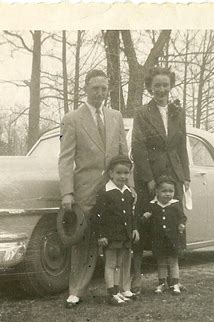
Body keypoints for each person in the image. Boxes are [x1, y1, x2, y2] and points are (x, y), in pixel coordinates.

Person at [58, 69, 128, 308]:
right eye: (95, 88)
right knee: (84, 240)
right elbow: (65, 159)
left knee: (119, 235)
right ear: (85, 89)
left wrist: (129, 186)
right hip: (86, 188)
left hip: (113, 188)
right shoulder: (72, 119)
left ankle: (120, 287)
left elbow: (123, 155)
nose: (100, 93)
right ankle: (76, 290)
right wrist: (67, 192)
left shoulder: (116, 116)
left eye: (104, 89)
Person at [131, 66, 190, 294]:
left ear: (170, 86)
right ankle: (136, 280)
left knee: (174, 224)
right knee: (144, 224)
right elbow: (138, 147)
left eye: (165, 85)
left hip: (173, 177)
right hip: (151, 177)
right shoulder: (142, 113)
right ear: (150, 87)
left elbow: (182, 145)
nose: (162, 89)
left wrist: (184, 176)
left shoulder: (178, 112)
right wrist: (148, 179)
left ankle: (173, 280)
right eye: (157, 85)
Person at [91, 155, 140, 306]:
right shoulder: (105, 192)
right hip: (110, 236)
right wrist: (100, 235)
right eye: (119, 173)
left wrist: (135, 229)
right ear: (111, 173)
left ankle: (118, 291)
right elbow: (96, 215)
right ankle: (111, 293)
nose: (122, 176)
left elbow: (131, 214)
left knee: (119, 263)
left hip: (124, 235)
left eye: (126, 173)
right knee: (111, 264)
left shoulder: (128, 193)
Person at [140, 176, 187, 293]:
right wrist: (145, 217)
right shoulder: (153, 205)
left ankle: (175, 283)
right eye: (164, 191)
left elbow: (182, 217)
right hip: (158, 239)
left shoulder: (175, 205)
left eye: (171, 191)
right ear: (157, 192)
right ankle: (162, 283)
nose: (168, 194)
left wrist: (181, 224)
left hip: (173, 239)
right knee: (161, 262)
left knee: (173, 261)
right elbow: (147, 220)